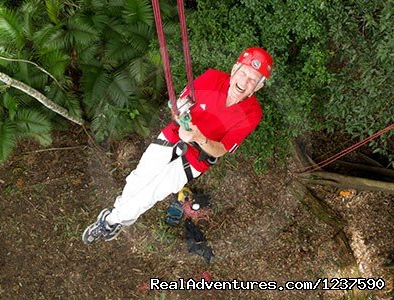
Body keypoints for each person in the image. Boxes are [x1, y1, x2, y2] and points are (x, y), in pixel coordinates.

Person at [82, 47, 273, 244]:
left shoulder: (252, 114)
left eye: (252, 80)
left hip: (197, 158)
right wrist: (183, 122)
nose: (244, 82)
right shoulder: (212, 78)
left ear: (258, 87)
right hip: (174, 135)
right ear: (234, 69)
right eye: (243, 73)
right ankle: (121, 215)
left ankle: (110, 221)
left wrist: (199, 137)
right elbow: (179, 105)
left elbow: (222, 149)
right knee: (138, 178)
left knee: (151, 192)